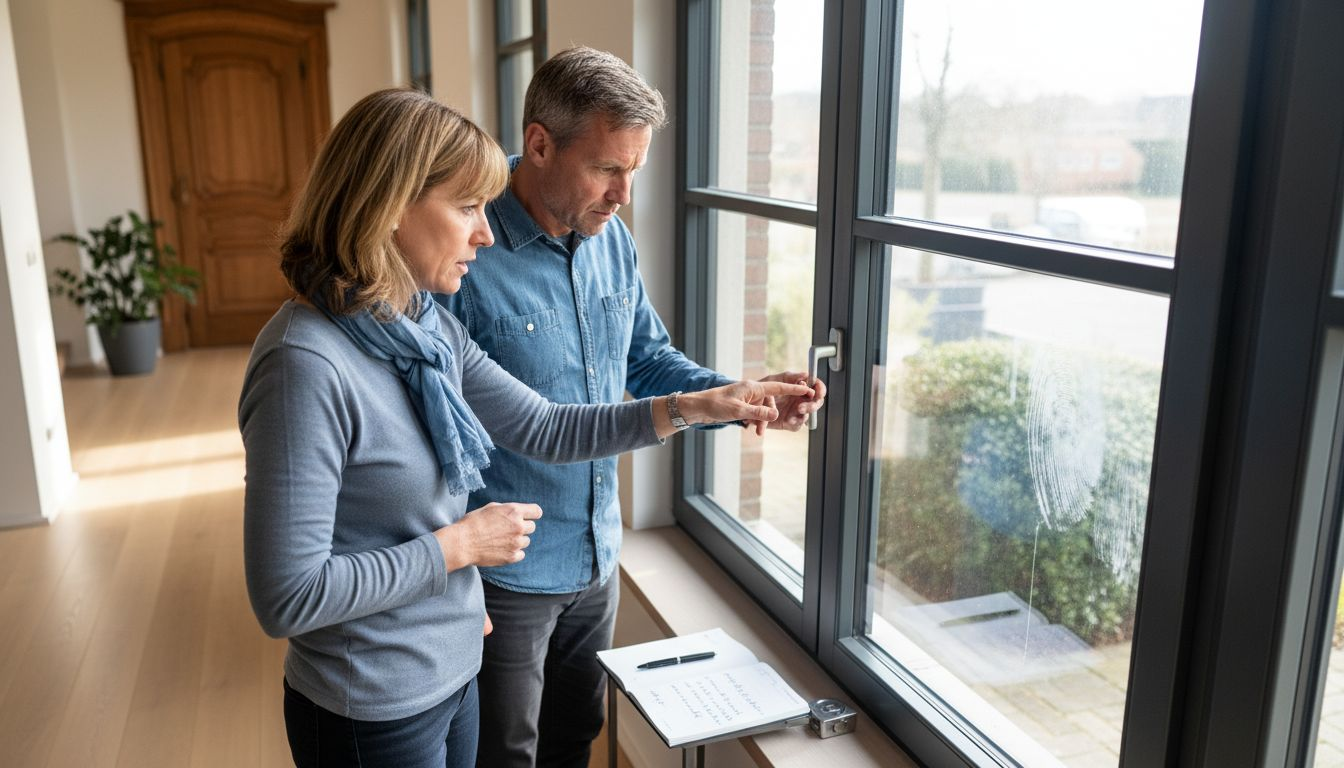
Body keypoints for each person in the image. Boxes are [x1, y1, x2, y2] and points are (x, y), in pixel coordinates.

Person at [238, 87, 810, 768]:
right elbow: (288, 596)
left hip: (451, 668)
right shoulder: (303, 365)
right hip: (375, 702)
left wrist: (707, 403)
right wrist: (460, 545)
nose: (484, 234)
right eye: (467, 207)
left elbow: (545, 426)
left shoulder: (422, 325)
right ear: (389, 207)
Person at [436, 48, 828, 768]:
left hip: (596, 555)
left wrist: (739, 396)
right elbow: (450, 427)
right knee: (503, 754)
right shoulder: (464, 251)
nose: (622, 194)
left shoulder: (608, 236)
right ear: (540, 144)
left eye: (634, 171)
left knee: (576, 738)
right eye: (607, 169)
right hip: (505, 576)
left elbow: (647, 360)